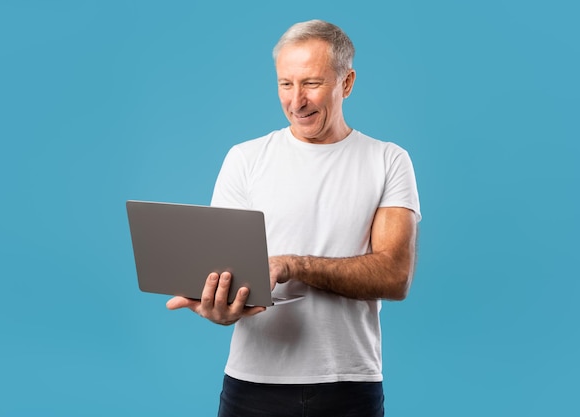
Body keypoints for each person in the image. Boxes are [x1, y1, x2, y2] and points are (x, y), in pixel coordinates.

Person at [167, 19, 421, 417]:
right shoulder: (245, 159)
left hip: (349, 384)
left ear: (347, 83)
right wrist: (216, 307)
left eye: (312, 83)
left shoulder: (388, 160)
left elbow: (394, 276)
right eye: (286, 84)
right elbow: (223, 271)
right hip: (252, 385)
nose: (296, 101)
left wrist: (292, 265)